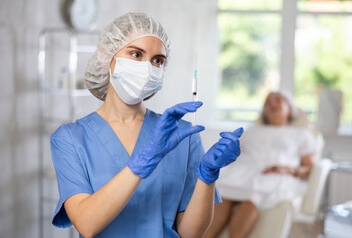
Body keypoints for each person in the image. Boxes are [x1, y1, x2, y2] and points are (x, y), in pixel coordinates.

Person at [50, 13, 243, 238]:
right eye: (136, 54)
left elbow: (190, 233)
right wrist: (142, 163)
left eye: (157, 60)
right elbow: (86, 223)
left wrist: (208, 176)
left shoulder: (182, 135)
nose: (147, 67)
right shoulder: (70, 138)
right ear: (106, 55)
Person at [203, 90, 316, 238]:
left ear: (290, 108)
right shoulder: (252, 131)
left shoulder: (301, 134)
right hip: (242, 173)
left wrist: (289, 170)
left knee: (252, 197)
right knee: (222, 196)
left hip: (274, 174)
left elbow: (309, 168)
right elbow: (234, 155)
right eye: (268, 102)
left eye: (277, 100)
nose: (272, 104)